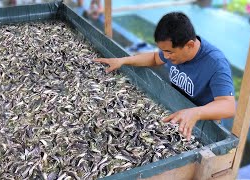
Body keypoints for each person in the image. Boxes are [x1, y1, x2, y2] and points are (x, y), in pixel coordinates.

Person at [94, 12, 236, 140]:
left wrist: (196, 113)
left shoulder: (216, 64)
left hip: (200, 124)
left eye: (169, 52)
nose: (166, 56)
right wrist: (123, 60)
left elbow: (228, 106)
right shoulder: (175, 47)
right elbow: (155, 58)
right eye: (164, 51)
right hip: (176, 109)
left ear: (190, 45)